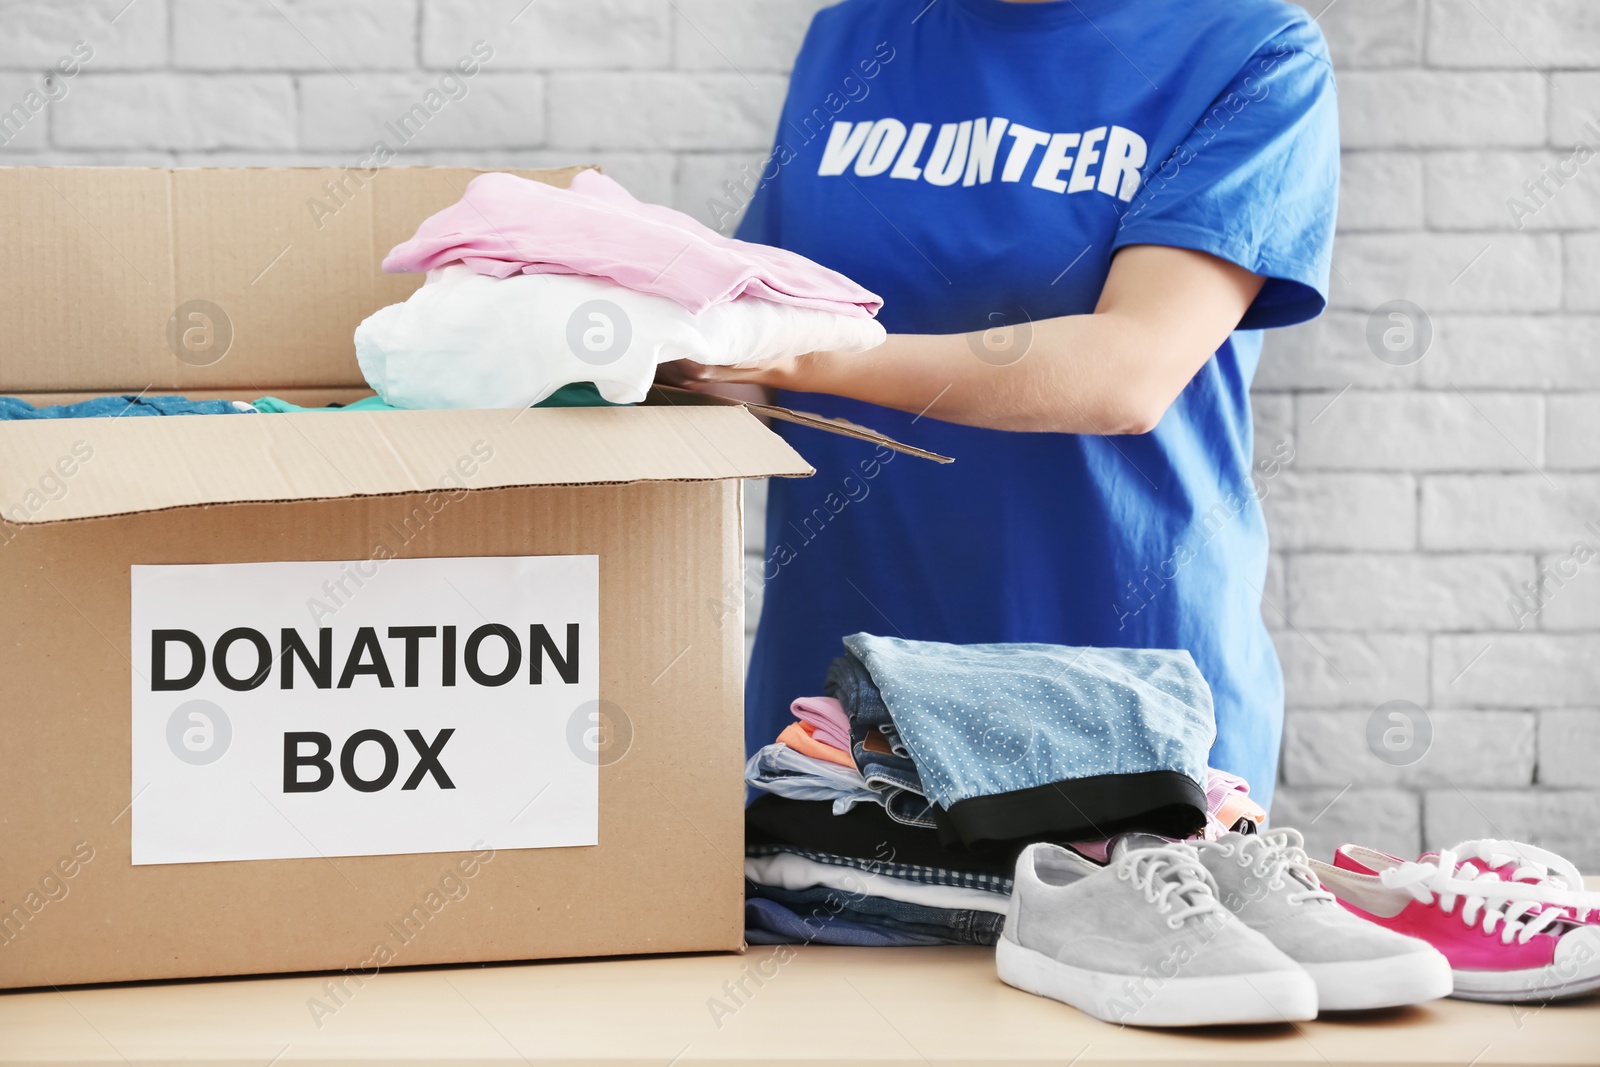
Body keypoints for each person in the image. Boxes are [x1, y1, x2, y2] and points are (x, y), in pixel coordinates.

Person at [669, 0, 1338, 811]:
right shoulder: (853, 35)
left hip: (1127, 710)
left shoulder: (1248, 48)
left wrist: (807, 353)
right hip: (840, 719)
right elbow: (758, 360)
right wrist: (624, 350)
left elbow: (1126, 372)